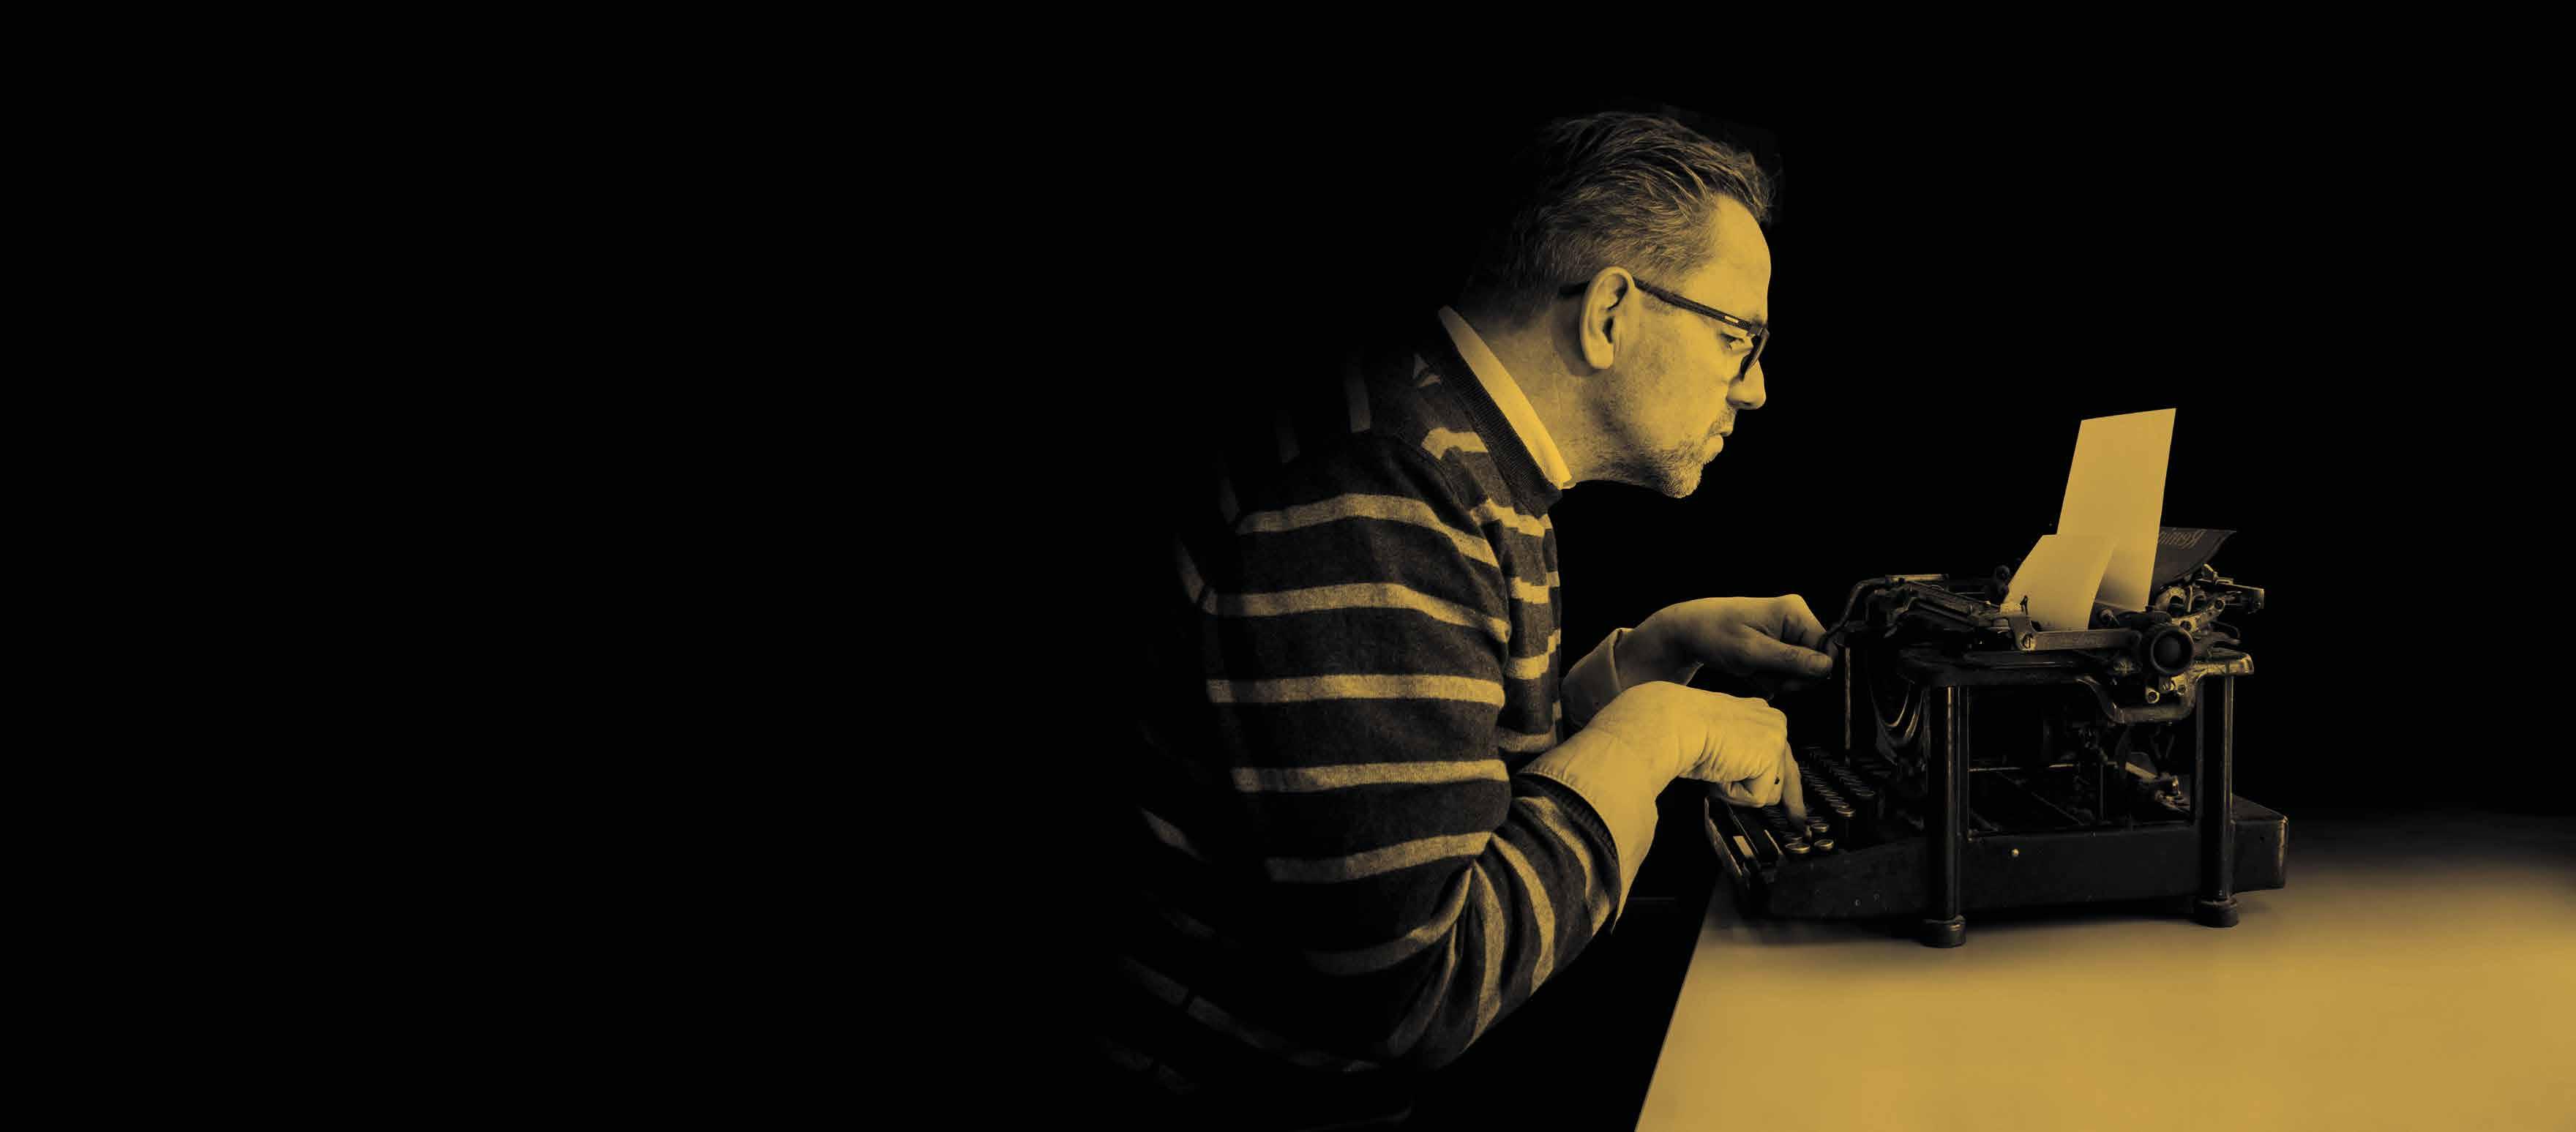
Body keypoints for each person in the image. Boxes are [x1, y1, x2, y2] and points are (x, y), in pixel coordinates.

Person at [1085, 110, 1832, 1129]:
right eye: (1737, 338)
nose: (1756, 391)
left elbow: (1448, 806)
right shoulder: (1380, 493)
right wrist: (1654, 737)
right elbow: (1414, 994)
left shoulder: (1454, 450)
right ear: (1611, 312)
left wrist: (1634, 669)